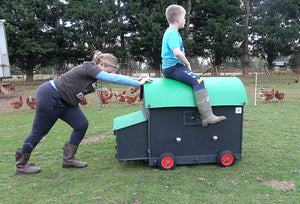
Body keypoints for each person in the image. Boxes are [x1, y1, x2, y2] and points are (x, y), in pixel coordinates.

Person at [14, 50, 153, 175]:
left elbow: (116, 76)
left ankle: (68, 159)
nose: (108, 74)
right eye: (108, 71)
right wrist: (137, 84)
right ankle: (21, 164)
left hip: (66, 101)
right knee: (39, 132)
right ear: (102, 64)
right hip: (51, 96)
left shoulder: (95, 69)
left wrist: (138, 79)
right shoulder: (89, 67)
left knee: (81, 124)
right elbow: (113, 78)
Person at [161, 4, 226, 127]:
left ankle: (207, 115)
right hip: (173, 67)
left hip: (172, 67)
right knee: (198, 81)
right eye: (184, 17)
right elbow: (177, 52)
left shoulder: (170, 33)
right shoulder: (172, 33)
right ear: (178, 19)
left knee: (196, 80)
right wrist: (187, 63)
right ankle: (207, 117)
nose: (185, 20)